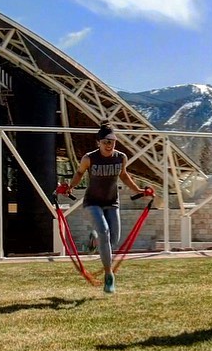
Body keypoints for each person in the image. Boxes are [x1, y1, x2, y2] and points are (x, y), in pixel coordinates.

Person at [65, 122, 153, 294]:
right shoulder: (89, 158)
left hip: (112, 202)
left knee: (113, 240)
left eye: (112, 141)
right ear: (98, 142)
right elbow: (79, 173)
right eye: (106, 141)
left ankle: (94, 239)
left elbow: (124, 175)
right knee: (104, 231)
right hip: (92, 202)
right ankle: (109, 275)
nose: (109, 145)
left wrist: (139, 190)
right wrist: (70, 187)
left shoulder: (121, 158)